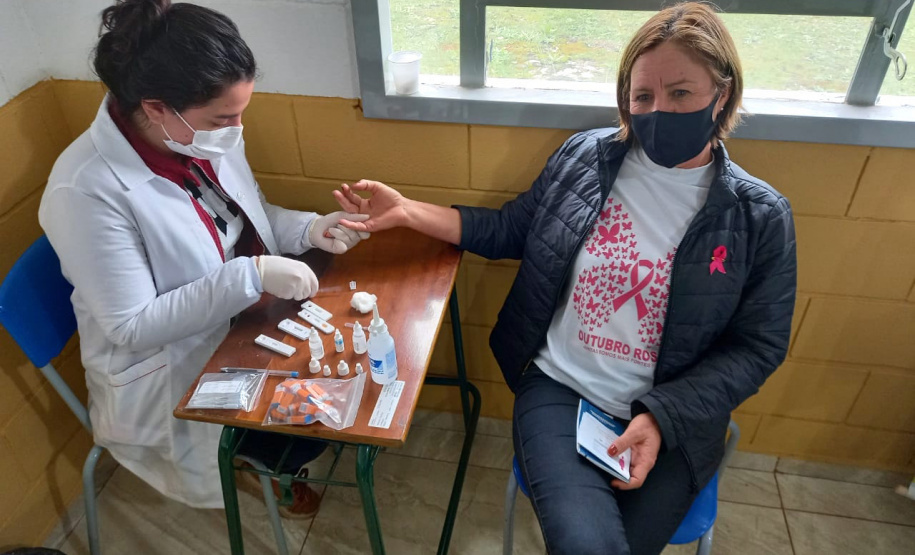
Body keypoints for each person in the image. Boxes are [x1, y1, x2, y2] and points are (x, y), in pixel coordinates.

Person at [333, 3, 796, 553]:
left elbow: (758, 345)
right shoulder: (584, 158)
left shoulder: (759, 215)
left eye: (680, 93)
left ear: (722, 95)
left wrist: (662, 417)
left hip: (675, 415)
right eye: (642, 96)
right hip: (561, 389)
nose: (658, 111)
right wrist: (408, 211)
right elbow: (510, 230)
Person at [38, 0, 367, 515]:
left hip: (239, 322)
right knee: (300, 433)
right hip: (171, 367)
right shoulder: (84, 191)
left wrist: (308, 228)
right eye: (224, 117)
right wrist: (251, 275)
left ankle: (278, 465)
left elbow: (240, 215)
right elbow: (132, 325)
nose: (236, 129)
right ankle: (265, 472)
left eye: (239, 112)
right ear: (156, 108)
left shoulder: (198, 137)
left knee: (338, 388)